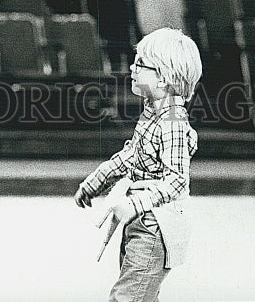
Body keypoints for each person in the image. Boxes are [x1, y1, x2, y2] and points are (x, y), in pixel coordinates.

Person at [75, 28, 202, 302]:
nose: (132, 67)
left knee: (128, 297)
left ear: (164, 78)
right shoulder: (151, 111)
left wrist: (134, 205)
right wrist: (97, 181)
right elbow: (132, 154)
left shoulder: (173, 122)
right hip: (141, 220)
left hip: (157, 225)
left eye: (141, 64)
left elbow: (177, 181)